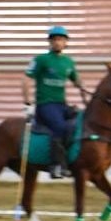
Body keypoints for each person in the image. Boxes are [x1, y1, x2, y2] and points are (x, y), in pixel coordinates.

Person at [23, 25, 84, 180]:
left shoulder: (68, 62)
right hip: (45, 105)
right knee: (60, 127)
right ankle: (55, 165)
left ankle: (74, 161)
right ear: (50, 42)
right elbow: (26, 79)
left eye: (61, 40)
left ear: (66, 43)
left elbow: (77, 81)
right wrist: (27, 102)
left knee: (80, 122)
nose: (58, 42)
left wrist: (82, 86)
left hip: (61, 105)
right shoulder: (41, 60)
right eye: (55, 39)